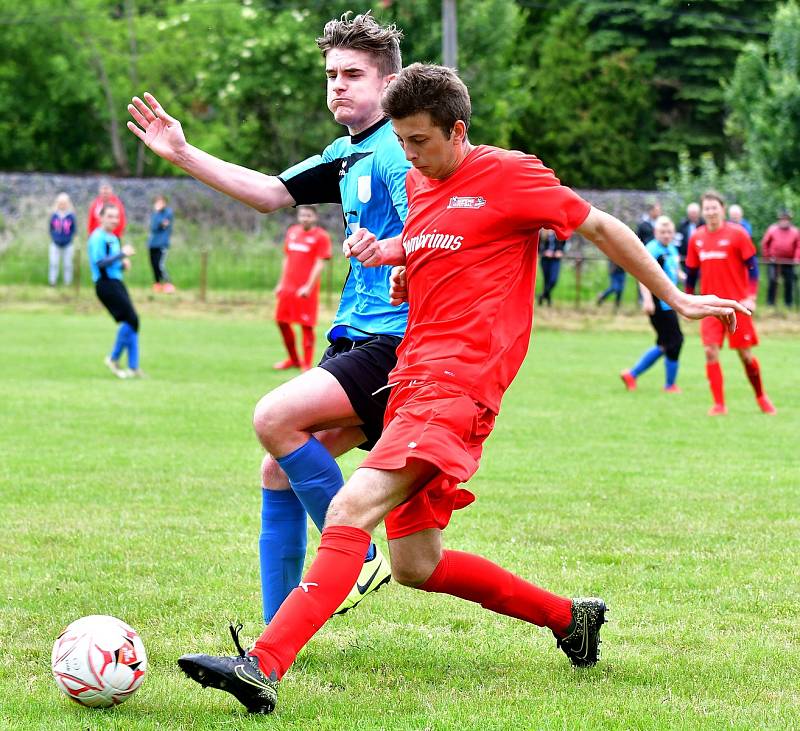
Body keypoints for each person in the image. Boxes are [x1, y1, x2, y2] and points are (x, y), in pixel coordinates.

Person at [175, 63, 747, 715]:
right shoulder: (421, 183)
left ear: (458, 129)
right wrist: (399, 265)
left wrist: (672, 295)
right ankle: (571, 618)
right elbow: (437, 250)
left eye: (419, 141)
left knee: (349, 510)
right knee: (418, 563)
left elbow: (600, 227)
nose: (408, 155)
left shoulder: (511, 174)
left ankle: (263, 665)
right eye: (401, 140)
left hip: (458, 384)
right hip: (409, 374)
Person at [127, 12, 411, 622]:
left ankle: (356, 554)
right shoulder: (349, 153)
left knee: (274, 417)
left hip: (394, 343)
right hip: (354, 339)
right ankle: (277, 633)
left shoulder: (397, 150)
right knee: (279, 468)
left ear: (388, 84)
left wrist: (398, 252)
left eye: (353, 74)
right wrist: (182, 154)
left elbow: (441, 226)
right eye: (331, 73)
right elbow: (270, 194)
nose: (337, 85)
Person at [686, 191, 776, 415]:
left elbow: (753, 267)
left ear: (722, 209)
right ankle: (719, 405)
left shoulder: (738, 234)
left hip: (737, 306)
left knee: (746, 355)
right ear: (702, 211)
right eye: (706, 208)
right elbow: (691, 274)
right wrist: (687, 300)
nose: (710, 212)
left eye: (714, 207)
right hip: (710, 307)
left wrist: (751, 296)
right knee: (710, 352)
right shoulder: (696, 238)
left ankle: (761, 397)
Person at [620, 216, 684, 392]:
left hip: (670, 302)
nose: (666, 235)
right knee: (675, 341)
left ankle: (632, 375)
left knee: (667, 343)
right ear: (656, 232)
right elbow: (643, 276)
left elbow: (674, 270)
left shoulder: (671, 249)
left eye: (669, 232)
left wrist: (683, 277)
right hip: (658, 303)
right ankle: (669, 385)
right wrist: (647, 300)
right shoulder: (651, 250)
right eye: (662, 232)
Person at [273, 206, 332, 371]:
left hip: (306, 289)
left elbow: (319, 264)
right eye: (302, 215)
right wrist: (281, 283)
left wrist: (308, 286)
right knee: (281, 322)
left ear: (315, 217)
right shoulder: (292, 232)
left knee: (306, 325)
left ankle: (306, 364)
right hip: (288, 287)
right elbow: (287, 258)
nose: (305, 218)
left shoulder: (321, 237)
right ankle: (293, 359)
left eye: (308, 215)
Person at [87, 205, 142, 379]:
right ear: (101, 218)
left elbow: (113, 262)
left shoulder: (113, 238)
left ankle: (133, 368)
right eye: (110, 216)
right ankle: (113, 358)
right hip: (105, 284)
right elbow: (100, 263)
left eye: (116, 217)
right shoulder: (97, 237)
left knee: (132, 321)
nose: (114, 220)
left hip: (116, 282)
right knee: (132, 319)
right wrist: (121, 255)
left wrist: (122, 264)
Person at [761, 210, 800, 308]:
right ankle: (770, 303)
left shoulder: (795, 231)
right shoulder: (772, 229)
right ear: (779, 220)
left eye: (786, 219)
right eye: (782, 219)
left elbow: (798, 246)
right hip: (774, 261)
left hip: (789, 262)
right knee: (773, 280)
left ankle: (789, 304)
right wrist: (767, 257)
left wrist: (796, 258)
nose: (784, 221)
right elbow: (765, 243)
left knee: (789, 282)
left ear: (789, 220)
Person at [48, 193, 77, 286]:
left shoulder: (71, 216)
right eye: (60, 203)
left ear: (68, 203)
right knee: (53, 263)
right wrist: (54, 237)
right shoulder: (54, 215)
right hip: (55, 243)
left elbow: (74, 229)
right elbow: (51, 228)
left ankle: (67, 283)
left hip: (68, 244)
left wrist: (69, 238)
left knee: (68, 264)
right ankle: (52, 282)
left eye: (64, 203)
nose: (62, 205)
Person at [148, 194, 175, 293]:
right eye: (157, 202)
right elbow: (154, 227)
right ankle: (157, 284)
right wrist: (157, 214)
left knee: (160, 265)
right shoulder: (155, 214)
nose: (159, 204)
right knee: (153, 265)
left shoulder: (168, 213)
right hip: (152, 244)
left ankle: (168, 283)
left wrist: (159, 213)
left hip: (162, 244)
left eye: (161, 202)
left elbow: (162, 224)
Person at [537, 228, 565, 306]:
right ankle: (548, 301)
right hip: (545, 259)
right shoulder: (542, 233)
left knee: (553, 280)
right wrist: (544, 252)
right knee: (546, 280)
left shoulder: (559, 231)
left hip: (555, 259)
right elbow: (537, 247)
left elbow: (564, 244)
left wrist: (561, 251)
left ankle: (542, 295)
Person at [677, 202, 703, 266]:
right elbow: (678, 241)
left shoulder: (704, 225)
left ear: (699, 213)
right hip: (685, 257)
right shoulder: (682, 225)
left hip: (701, 257)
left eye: (695, 213)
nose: (693, 215)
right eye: (691, 213)